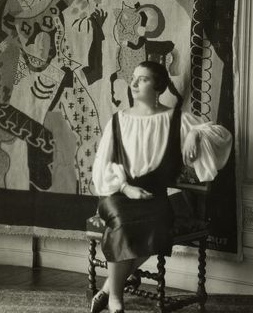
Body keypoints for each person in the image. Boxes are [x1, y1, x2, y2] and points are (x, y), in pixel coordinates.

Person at [90, 61, 232, 313]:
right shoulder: (118, 120)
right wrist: (125, 188)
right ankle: (115, 300)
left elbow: (221, 136)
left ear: (157, 87)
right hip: (117, 194)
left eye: (142, 79)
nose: (133, 83)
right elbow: (103, 165)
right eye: (133, 78)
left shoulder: (176, 119)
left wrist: (195, 134)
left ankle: (108, 287)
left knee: (157, 228)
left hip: (154, 197)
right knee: (122, 224)